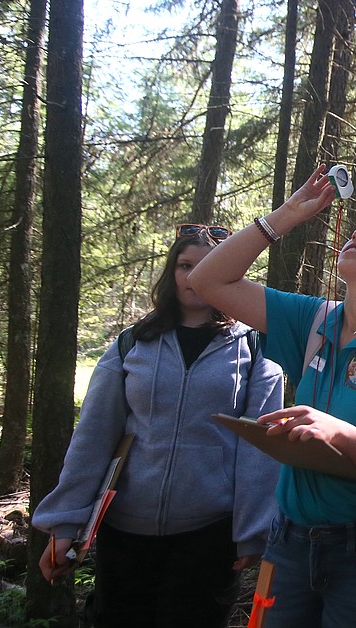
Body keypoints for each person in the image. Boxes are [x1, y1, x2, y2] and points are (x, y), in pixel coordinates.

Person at [188, 166, 356, 628]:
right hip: (287, 541)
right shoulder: (312, 319)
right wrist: (289, 214)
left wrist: (340, 434)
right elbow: (208, 280)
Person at [34, 224, 283, 628]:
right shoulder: (132, 342)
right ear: (171, 272)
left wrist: (252, 530)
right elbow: (94, 435)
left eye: (207, 266)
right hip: (125, 530)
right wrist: (66, 521)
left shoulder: (256, 351)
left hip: (209, 535)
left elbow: (258, 448)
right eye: (185, 265)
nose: (194, 277)